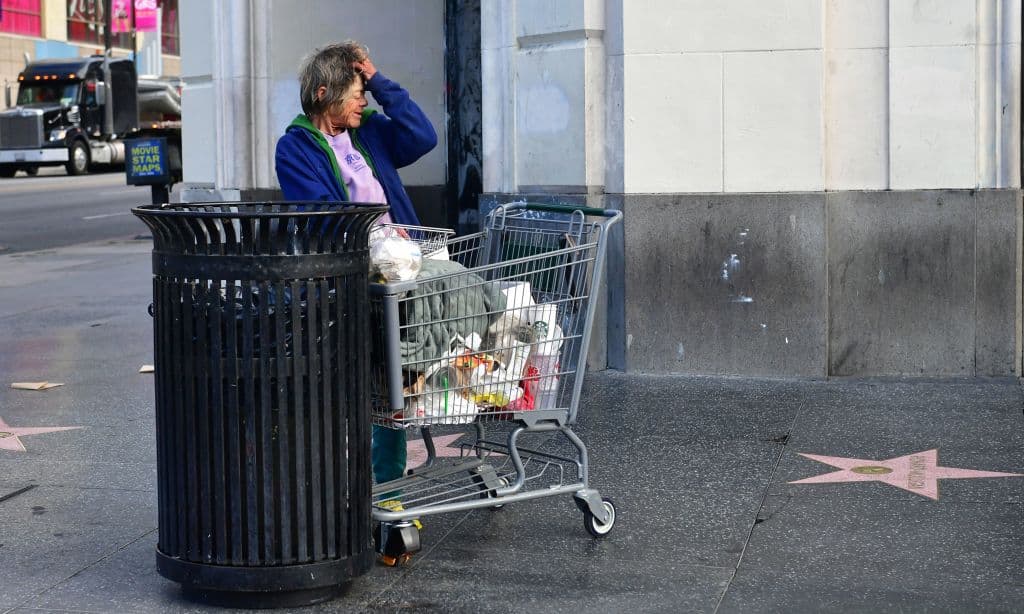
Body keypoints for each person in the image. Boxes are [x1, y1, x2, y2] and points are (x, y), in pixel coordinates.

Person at [275, 41, 437, 487]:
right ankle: (349, 477)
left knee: (394, 374)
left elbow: (423, 137)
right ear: (325, 93)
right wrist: (376, 247)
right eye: (356, 92)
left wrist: (380, 81)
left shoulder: (367, 130)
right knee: (368, 376)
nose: (362, 100)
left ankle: (386, 481)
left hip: (401, 265)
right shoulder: (296, 147)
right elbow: (323, 215)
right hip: (352, 276)